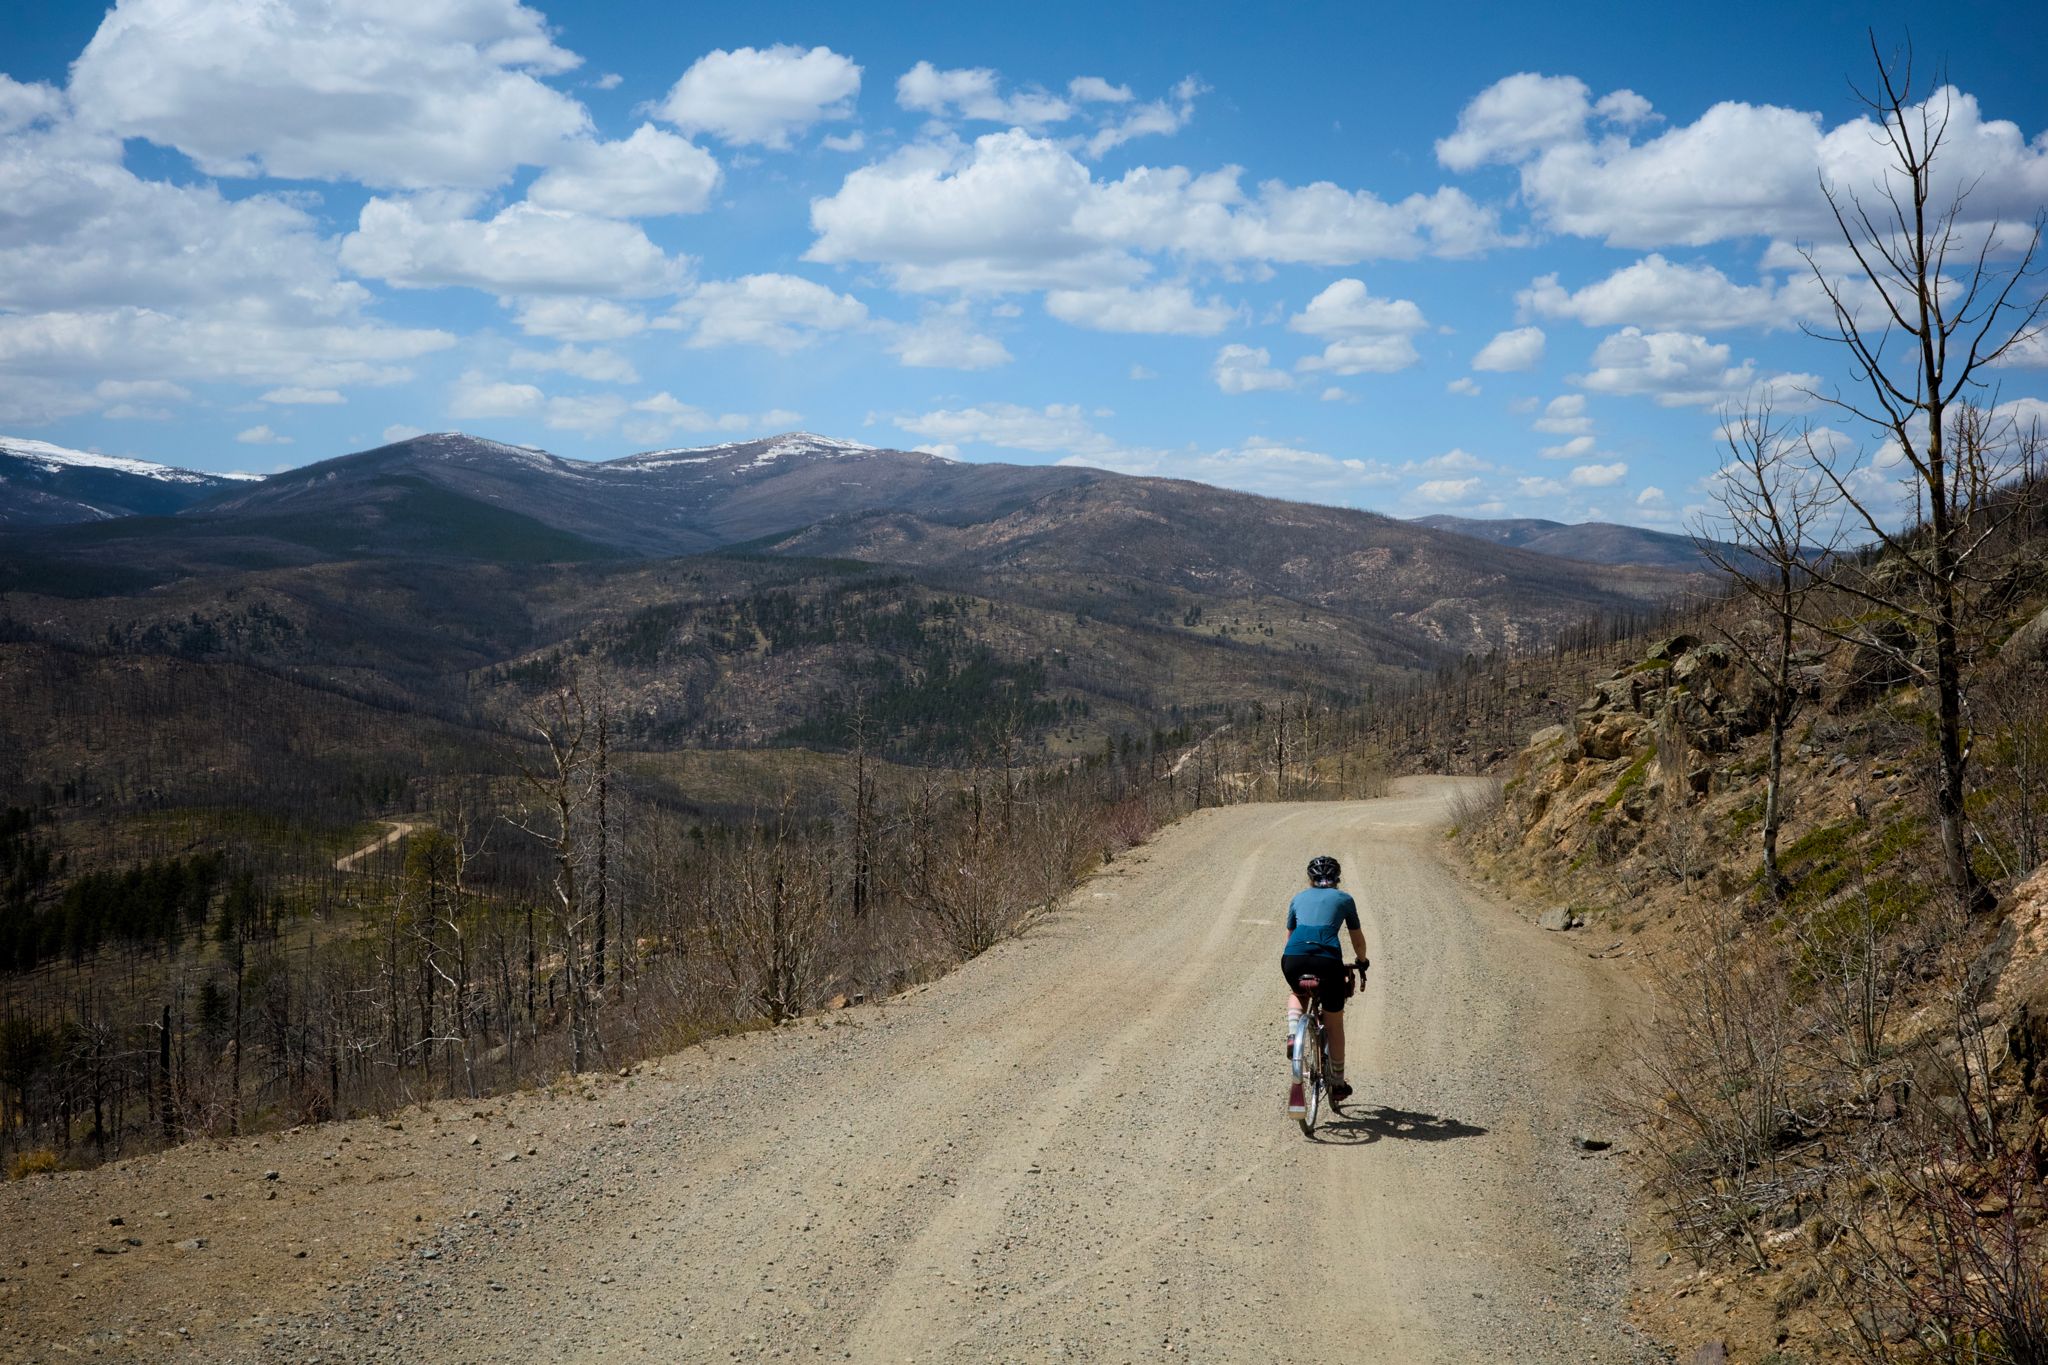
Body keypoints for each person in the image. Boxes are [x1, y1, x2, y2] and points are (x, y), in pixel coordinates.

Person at [1282, 854, 1368, 1102]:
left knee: (1298, 993)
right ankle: (1338, 1082)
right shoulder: (1344, 899)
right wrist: (1362, 961)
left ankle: (1292, 1035)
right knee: (1334, 1023)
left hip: (1293, 958)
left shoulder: (1297, 898)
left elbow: (1289, 938)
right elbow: (1357, 939)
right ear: (1337, 878)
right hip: (1328, 962)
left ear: (1310, 879)